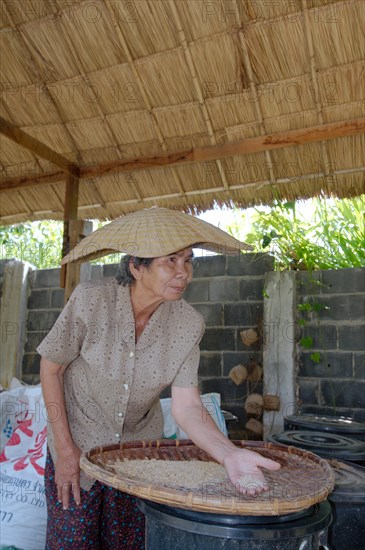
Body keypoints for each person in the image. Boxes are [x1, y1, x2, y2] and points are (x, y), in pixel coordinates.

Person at [38, 209, 280, 549]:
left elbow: (188, 408)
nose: (183, 273)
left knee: (127, 543)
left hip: (136, 458)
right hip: (76, 443)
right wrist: (64, 450)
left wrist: (230, 454)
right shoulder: (91, 301)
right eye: (170, 261)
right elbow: (51, 368)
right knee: (72, 542)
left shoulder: (187, 324)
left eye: (188, 261)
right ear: (137, 267)